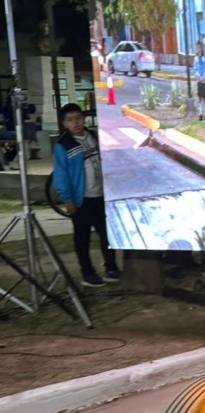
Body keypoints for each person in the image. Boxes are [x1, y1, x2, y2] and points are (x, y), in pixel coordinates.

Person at [53, 103, 121, 287]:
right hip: (81, 199)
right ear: (64, 123)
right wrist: (68, 199)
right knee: (82, 238)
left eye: (78, 118)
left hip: (101, 195)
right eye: (70, 120)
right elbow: (61, 175)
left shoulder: (93, 136)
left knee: (106, 234)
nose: (75, 123)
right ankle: (88, 273)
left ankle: (111, 268)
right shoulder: (63, 146)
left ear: (84, 119)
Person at [193, 42, 205, 121]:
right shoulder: (195, 59)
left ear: (202, 49)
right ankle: (200, 113)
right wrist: (198, 76)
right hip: (198, 80)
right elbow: (195, 69)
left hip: (203, 80)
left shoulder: (204, 59)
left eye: (200, 47)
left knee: (204, 97)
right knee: (199, 97)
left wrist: (203, 77)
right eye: (197, 48)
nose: (198, 49)